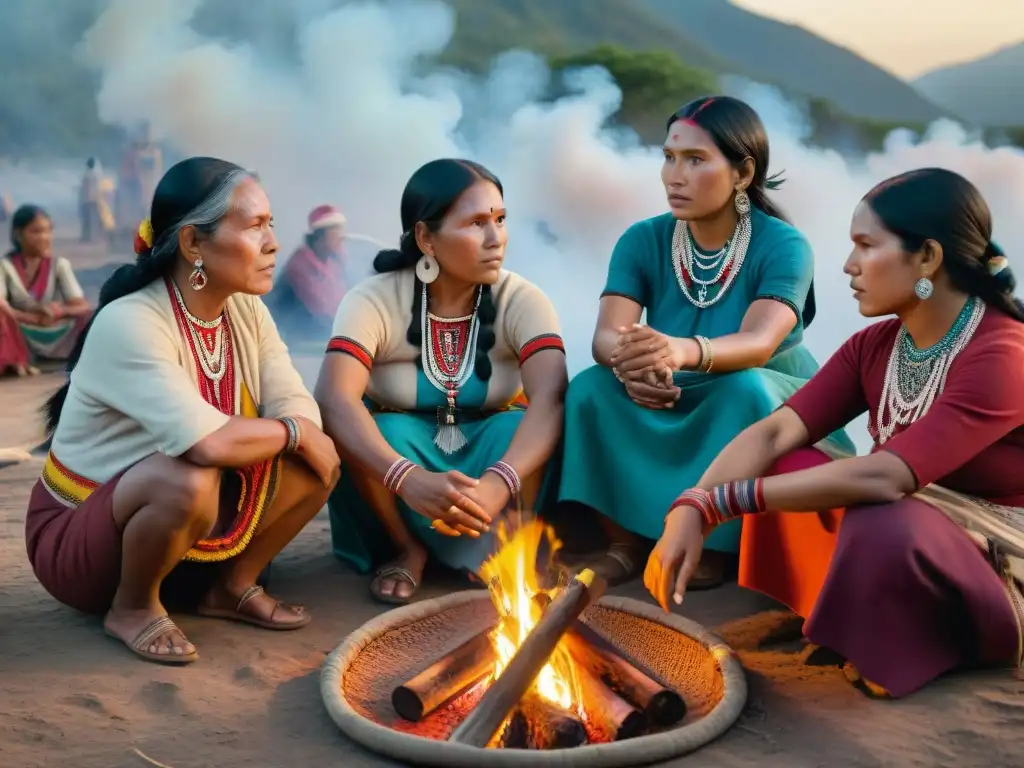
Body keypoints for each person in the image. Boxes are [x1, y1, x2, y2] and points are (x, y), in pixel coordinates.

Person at [646, 168, 1024, 698]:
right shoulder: (874, 345)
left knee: (882, 517)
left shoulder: (1003, 353)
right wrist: (691, 505)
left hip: (997, 557)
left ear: (928, 259)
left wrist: (726, 502)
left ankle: (918, 641)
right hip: (907, 519)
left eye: (865, 246)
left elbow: (888, 475)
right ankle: (852, 616)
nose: (848, 266)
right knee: (787, 468)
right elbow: (775, 433)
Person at [25, 157, 341, 666]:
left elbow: (296, 403)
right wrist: (292, 432)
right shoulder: (130, 321)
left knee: (317, 452)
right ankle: (132, 608)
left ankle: (231, 586)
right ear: (193, 243)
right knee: (189, 476)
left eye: (271, 224)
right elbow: (207, 444)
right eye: (256, 226)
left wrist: (298, 431)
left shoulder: (245, 309)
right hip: (79, 537)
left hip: (183, 526)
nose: (273, 242)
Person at [558, 96, 854, 588]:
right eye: (669, 157)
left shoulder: (783, 245)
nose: (675, 175)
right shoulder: (644, 239)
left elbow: (759, 343)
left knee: (746, 391)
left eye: (695, 160)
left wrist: (678, 351)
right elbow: (608, 334)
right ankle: (624, 541)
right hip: (669, 381)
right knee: (590, 388)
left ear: (742, 173)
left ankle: (715, 543)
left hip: (758, 386)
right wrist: (636, 368)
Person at [315, 158, 567, 604]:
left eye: (500, 220)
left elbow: (549, 396)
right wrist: (406, 477)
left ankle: (509, 549)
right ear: (426, 238)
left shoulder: (522, 298)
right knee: (379, 428)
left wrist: (498, 482)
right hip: (399, 465)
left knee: (521, 425)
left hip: (493, 455)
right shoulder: (373, 298)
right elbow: (335, 398)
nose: (496, 240)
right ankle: (405, 548)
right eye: (475, 223)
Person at [0, 205, 93, 360]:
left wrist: (59, 310)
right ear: (18, 234)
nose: (45, 237)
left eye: (48, 231)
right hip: (20, 331)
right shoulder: (5, 266)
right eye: (36, 232)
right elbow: (2, 306)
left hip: (56, 330)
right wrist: (31, 318)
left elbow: (81, 305)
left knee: (94, 316)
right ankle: (17, 360)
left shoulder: (59, 265)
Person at [268, 204, 352, 342]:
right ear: (320, 237)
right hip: (298, 345)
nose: (342, 237)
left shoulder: (331, 263)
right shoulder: (301, 266)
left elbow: (343, 304)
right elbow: (324, 315)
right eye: (336, 230)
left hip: (315, 339)